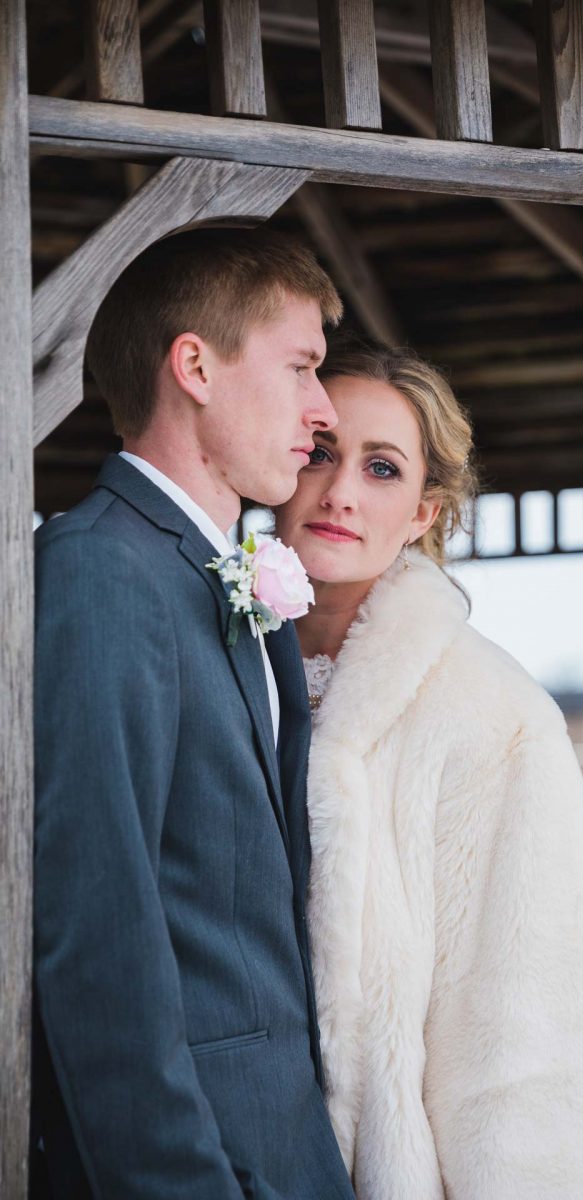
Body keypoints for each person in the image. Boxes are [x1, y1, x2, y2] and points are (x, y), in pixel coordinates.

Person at [32, 228, 356, 1199]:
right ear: (196, 367)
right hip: (202, 1163)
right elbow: (97, 932)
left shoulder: (218, 577)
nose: (322, 410)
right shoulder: (99, 571)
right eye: (300, 366)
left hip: (283, 1145)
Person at [273, 343, 583, 1200]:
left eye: (381, 469)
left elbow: (527, 1042)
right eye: (320, 452)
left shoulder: (499, 718)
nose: (340, 491)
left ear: (423, 512)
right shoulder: (216, 667)